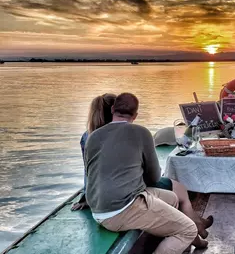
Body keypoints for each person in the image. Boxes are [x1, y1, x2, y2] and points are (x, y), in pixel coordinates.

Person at [72, 93, 213, 239]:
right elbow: (151, 175)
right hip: (131, 191)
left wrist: (87, 196)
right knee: (180, 190)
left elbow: (89, 172)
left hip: (104, 197)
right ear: (113, 111)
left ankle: (194, 226)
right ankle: (195, 226)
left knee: (172, 193)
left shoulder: (89, 137)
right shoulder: (129, 133)